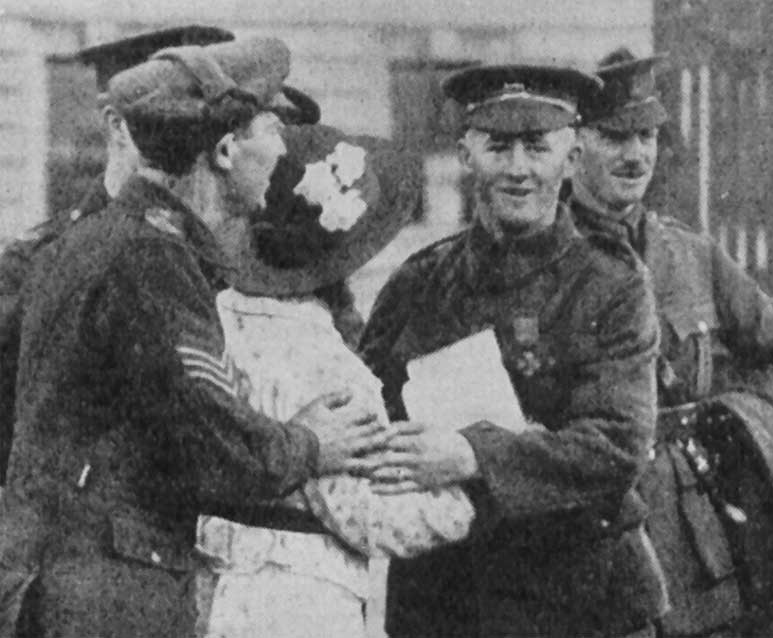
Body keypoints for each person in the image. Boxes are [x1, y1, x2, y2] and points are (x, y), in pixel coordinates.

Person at [0, 38, 393, 638]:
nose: (283, 149)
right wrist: (313, 443)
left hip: (56, 579)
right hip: (110, 592)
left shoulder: (92, 241)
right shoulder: (154, 260)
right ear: (226, 150)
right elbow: (211, 444)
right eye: (271, 129)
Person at [357, 64, 666, 638]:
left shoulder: (612, 284)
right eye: (498, 147)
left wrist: (472, 455)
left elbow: (617, 443)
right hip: (448, 603)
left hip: (581, 602)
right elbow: (366, 417)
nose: (518, 168)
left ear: (571, 159)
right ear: (466, 156)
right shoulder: (417, 284)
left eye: (537, 146)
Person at [197, 123, 475, 638]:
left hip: (217, 591)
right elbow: (363, 514)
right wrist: (466, 493)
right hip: (301, 601)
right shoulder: (329, 368)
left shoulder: (212, 321)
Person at [570, 47, 773, 638]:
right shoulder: (550, 257)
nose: (635, 155)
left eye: (647, 136)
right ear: (574, 144)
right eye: (614, 137)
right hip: (583, 517)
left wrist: (739, 421)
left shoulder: (690, 254)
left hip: (685, 519)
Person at [0, 25, 234, 477]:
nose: (199, 147)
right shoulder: (39, 263)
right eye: (174, 123)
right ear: (116, 125)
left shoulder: (230, 256)